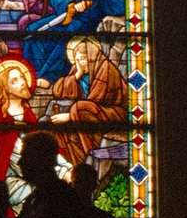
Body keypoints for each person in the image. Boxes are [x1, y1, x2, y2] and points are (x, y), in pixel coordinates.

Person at [24, 0, 125, 88]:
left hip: (86, 24)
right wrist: (70, 6)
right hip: (65, 17)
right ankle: (30, 71)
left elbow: (118, 9)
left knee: (67, 34)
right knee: (32, 30)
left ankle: (49, 76)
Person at [49, 37, 128, 167]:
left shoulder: (105, 67)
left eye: (84, 59)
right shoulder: (79, 69)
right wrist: (76, 75)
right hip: (92, 114)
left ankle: (91, 159)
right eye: (78, 60)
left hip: (115, 114)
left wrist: (69, 116)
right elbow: (58, 91)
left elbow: (95, 101)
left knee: (80, 107)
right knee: (57, 128)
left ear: (93, 56)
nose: (82, 63)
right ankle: (77, 165)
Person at [0, 58, 39, 213]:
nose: (22, 82)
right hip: (7, 181)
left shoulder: (29, 115)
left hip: (32, 175)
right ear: (6, 88)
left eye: (22, 77)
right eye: (15, 80)